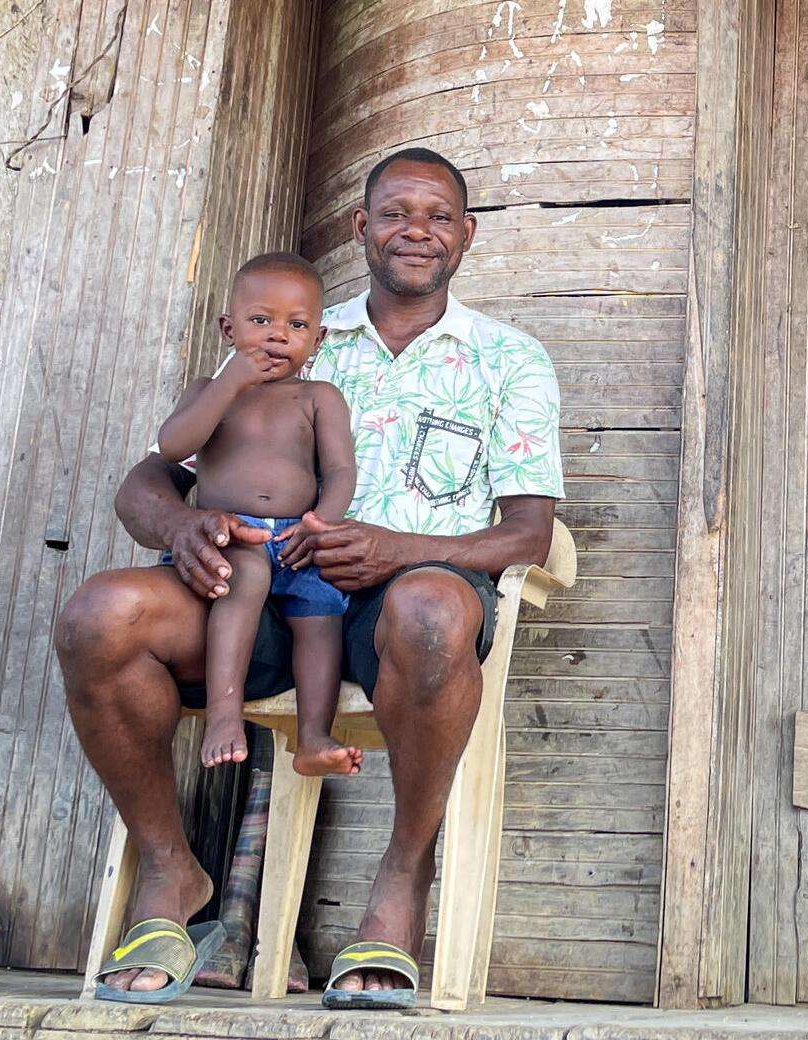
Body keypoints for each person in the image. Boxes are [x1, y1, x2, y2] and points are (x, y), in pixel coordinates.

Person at [58, 147, 565, 1008]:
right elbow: (150, 476)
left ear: (468, 236)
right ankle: (170, 871)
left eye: (439, 216)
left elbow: (528, 535)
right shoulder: (288, 329)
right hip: (251, 601)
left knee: (432, 608)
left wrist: (397, 550)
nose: (418, 230)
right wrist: (182, 526)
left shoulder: (508, 359)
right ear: (360, 227)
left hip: (400, 621)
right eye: (397, 213)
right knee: (100, 614)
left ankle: (402, 884)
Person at [155, 252, 360, 778]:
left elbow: (339, 472)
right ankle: (224, 717)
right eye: (260, 320)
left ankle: (313, 736)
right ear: (229, 328)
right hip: (232, 535)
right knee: (241, 580)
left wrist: (320, 525)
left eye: (296, 325)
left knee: (320, 615)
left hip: (298, 538)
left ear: (315, 341)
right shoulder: (209, 391)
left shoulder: (319, 397)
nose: (277, 336)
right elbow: (172, 445)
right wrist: (230, 383)